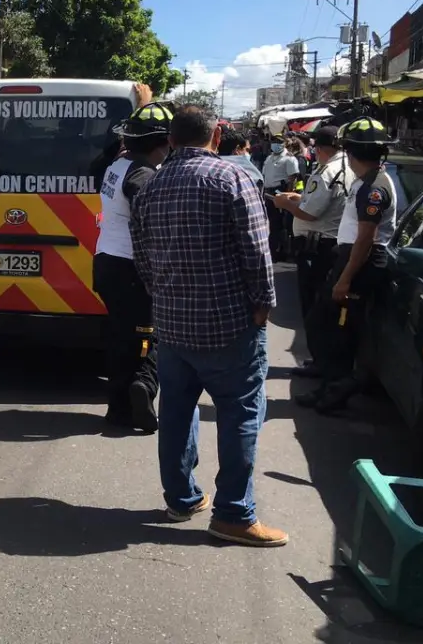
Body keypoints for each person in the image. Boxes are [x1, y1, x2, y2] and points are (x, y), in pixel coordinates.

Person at [131, 106, 287, 548]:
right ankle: (234, 514)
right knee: (241, 415)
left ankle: (181, 499)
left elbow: (142, 260)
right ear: (216, 136)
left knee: (178, 413)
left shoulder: (151, 186)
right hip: (229, 327)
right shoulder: (231, 178)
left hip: (173, 326)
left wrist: (165, 300)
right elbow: (258, 252)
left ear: (172, 140)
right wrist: (263, 306)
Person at [296, 117, 397, 414]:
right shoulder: (367, 181)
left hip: (360, 262)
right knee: (324, 323)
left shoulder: (373, 187)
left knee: (340, 331)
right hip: (351, 258)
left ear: (351, 153)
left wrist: (345, 279)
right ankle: (330, 385)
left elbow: (366, 238)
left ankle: (338, 390)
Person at [93, 102, 173, 434]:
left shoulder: (118, 164)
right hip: (132, 268)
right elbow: (150, 225)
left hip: (107, 262)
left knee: (121, 336)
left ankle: (118, 408)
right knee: (146, 336)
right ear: (164, 142)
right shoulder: (143, 176)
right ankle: (143, 386)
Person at [272, 126, 350, 328]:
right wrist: (299, 198)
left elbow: (309, 213)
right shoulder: (348, 167)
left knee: (313, 302)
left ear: (320, 148)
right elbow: (324, 202)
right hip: (334, 243)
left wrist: (285, 204)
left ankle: (317, 352)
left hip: (317, 247)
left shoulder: (326, 172)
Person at [261, 135, 300, 261]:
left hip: (280, 192)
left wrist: (287, 196)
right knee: (272, 223)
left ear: (284, 143)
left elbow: (292, 179)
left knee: (281, 224)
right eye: (274, 141)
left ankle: (283, 251)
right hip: (268, 193)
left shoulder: (289, 158)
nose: (275, 144)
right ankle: (273, 251)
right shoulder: (269, 157)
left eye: (279, 142)